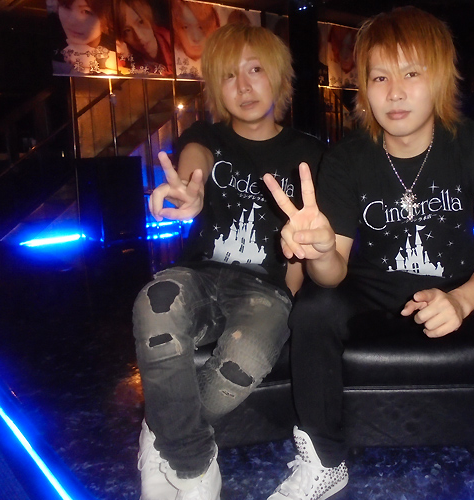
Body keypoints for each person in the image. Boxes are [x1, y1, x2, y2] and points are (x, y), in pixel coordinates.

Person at [263, 7, 474, 500]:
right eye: (380, 77)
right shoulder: (347, 160)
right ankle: (324, 462)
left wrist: (461, 300)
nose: (394, 92)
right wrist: (322, 250)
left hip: (458, 283)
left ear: (438, 79)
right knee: (314, 307)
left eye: (411, 73)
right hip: (371, 289)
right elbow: (331, 276)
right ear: (364, 87)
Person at [132, 22, 326, 500]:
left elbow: (308, 244)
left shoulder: (310, 154)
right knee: (156, 303)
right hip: (200, 277)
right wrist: (189, 191)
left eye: (255, 70)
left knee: (243, 363)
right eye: (228, 75)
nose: (243, 86)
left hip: (266, 291)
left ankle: (159, 431)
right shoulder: (205, 135)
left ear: (279, 77)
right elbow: (194, 165)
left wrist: (295, 304)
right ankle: (194, 466)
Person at [49, 0, 118, 75]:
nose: (72, 21)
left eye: (86, 12)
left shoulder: (117, 48)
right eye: (66, 7)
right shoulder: (48, 38)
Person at [115, 0, 174, 76]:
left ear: (149, 18)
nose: (139, 36)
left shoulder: (176, 42)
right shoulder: (126, 57)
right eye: (127, 30)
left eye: (141, 22)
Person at [171, 0, 220, 78]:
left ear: (214, 28)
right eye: (186, 27)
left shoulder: (221, 60)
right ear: (176, 29)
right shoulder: (168, 57)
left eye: (201, 28)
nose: (196, 38)